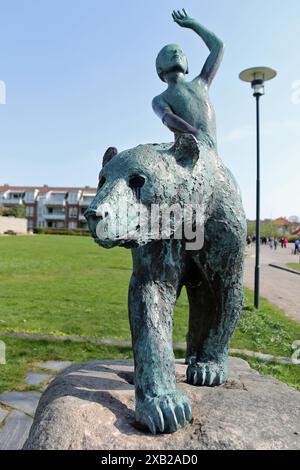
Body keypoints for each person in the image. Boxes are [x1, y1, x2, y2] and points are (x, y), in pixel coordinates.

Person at [152, 9, 224, 149]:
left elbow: (218, 46)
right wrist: (194, 133)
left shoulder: (201, 84)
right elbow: (168, 118)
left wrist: (194, 25)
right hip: (187, 154)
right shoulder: (159, 99)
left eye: (180, 51)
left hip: (212, 155)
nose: (176, 52)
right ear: (159, 69)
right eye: (169, 52)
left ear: (187, 66)